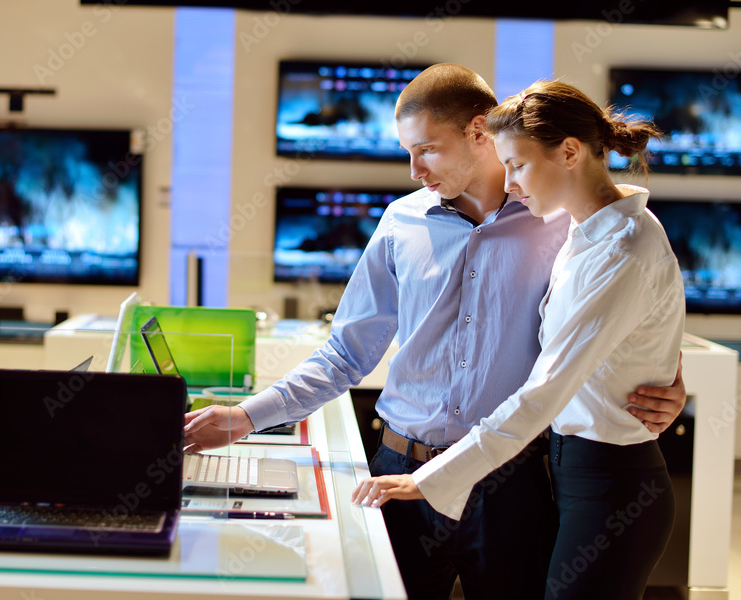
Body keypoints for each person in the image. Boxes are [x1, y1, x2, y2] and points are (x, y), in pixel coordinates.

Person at [184, 65, 686, 600]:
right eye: (407, 152)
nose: (413, 169)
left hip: (511, 487)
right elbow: (346, 353)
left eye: (426, 149)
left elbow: (639, 304)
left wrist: (668, 378)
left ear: (478, 132)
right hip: (400, 473)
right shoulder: (400, 222)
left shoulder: (565, 216)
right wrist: (245, 418)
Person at [351, 80, 685, 600]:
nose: (508, 183)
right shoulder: (582, 229)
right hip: (569, 469)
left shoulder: (620, 244)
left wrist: (430, 479)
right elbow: (628, 329)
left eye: (519, 166)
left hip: (606, 480)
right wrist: (665, 368)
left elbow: (546, 389)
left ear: (569, 152)